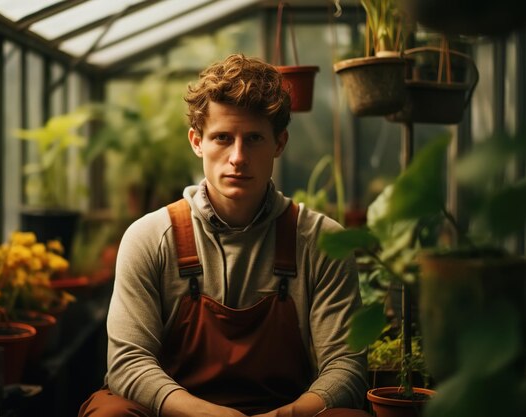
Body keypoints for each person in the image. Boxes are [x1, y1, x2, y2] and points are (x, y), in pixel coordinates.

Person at [79, 53, 369, 417]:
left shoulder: (322, 242)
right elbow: (127, 363)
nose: (238, 156)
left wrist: (283, 415)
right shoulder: (151, 237)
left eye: (254, 138)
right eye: (222, 138)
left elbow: (346, 369)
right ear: (196, 142)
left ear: (279, 144)